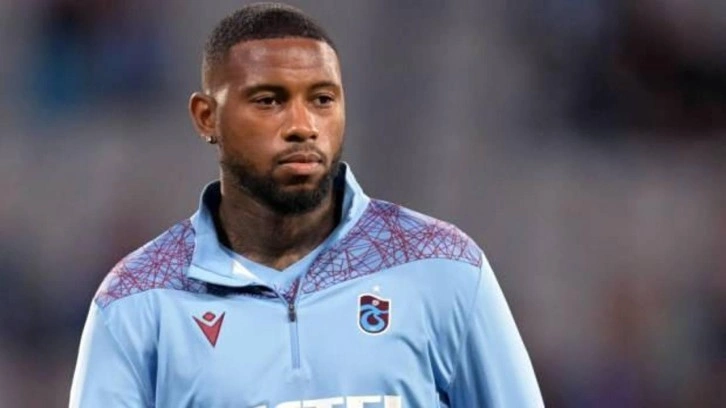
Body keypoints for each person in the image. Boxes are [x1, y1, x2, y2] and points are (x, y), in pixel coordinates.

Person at [69, 3, 543, 407]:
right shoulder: (138, 301)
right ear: (206, 116)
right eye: (269, 101)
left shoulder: (442, 268)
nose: (302, 125)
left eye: (322, 99)